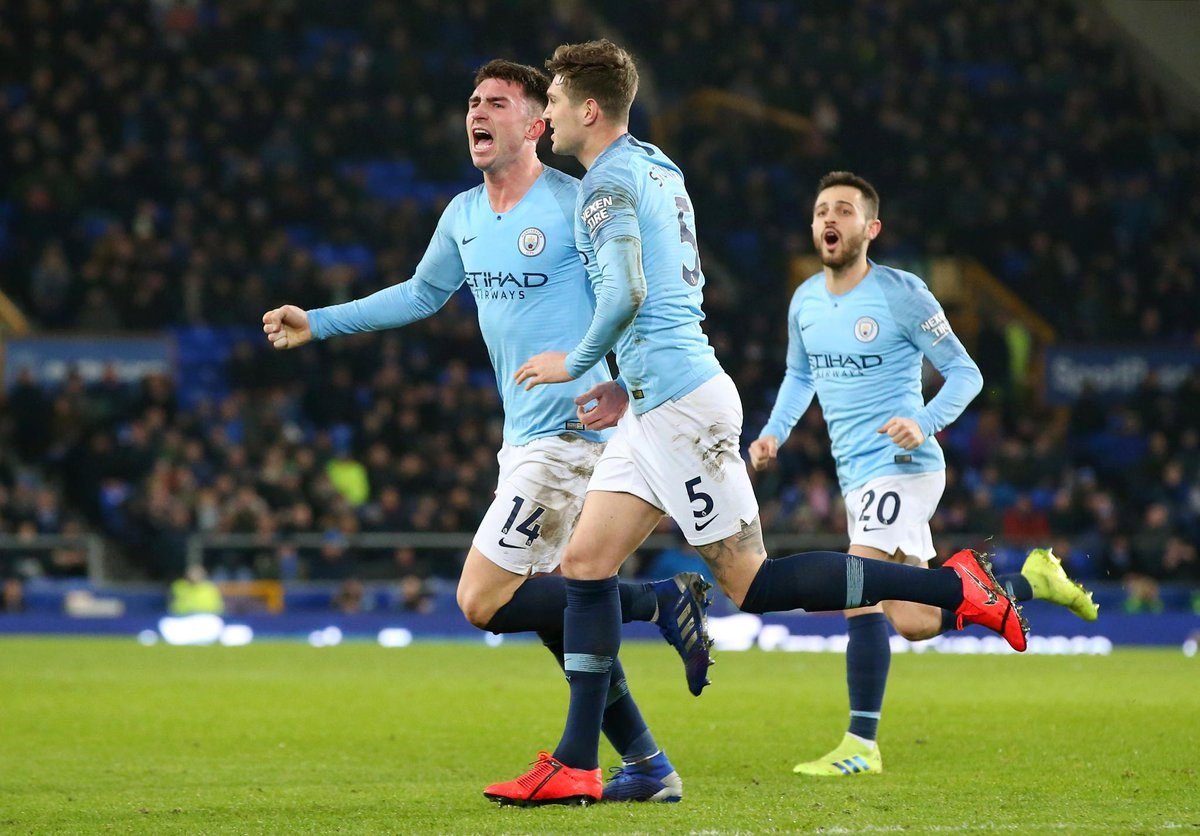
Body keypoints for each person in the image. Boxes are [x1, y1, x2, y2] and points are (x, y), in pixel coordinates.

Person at [486, 39, 1028, 807]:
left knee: (754, 583)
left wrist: (573, 363)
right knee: (584, 564)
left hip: (682, 406)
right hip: (660, 399)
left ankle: (952, 585)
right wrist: (625, 385)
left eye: (555, 101)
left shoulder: (604, 184)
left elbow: (629, 291)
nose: (546, 114)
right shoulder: (657, 167)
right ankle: (601, 763)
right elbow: (675, 286)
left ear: (590, 110)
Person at [262, 60, 711, 804]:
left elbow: (632, 294)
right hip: (524, 438)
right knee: (563, 617)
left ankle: (657, 600)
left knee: (482, 599)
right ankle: (648, 764)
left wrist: (620, 385)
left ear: (536, 124)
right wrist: (320, 321)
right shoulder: (464, 215)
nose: (477, 112)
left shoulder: (576, 202)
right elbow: (419, 294)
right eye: (473, 101)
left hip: (572, 437)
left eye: (497, 103)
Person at [749, 171, 1099, 778]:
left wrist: (925, 421)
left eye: (845, 210)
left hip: (904, 466)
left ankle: (861, 744)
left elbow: (967, 374)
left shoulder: (902, 293)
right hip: (856, 475)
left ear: (871, 228)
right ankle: (1030, 583)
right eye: (822, 210)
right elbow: (800, 376)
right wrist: (774, 432)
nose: (830, 218)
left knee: (855, 585)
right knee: (913, 620)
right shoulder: (804, 300)